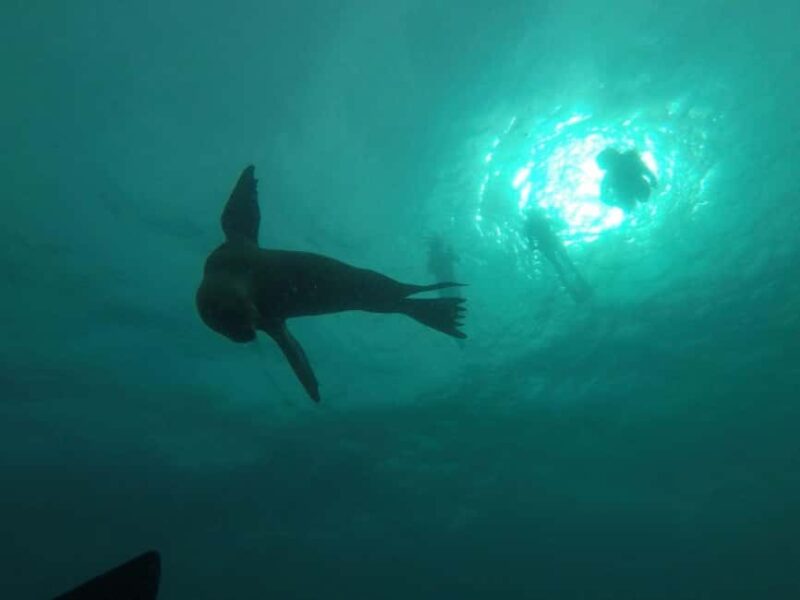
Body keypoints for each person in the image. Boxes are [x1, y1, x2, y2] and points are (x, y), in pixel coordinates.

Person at [523, 208, 592, 304]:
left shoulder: (529, 224)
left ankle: (572, 290)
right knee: (567, 262)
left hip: (545, 245)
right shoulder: (541, 219)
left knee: (559, 267)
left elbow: (530, 241)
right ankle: (581, 282)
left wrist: (534, 247)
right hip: (553, 241)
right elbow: (560, 225)